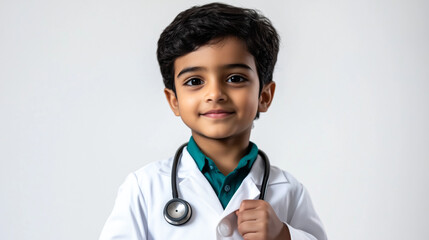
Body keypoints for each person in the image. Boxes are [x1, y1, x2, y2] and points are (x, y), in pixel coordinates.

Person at [100, 3, 327, 240]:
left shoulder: (288, 191)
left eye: (235, 78)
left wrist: (283, 235)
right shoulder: (144, 188)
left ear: (264, 96)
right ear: (174, 100)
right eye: (195, 81)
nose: (215, 93)